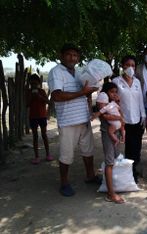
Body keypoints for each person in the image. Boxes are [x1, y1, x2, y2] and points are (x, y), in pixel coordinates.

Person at [48, 43, 99, 196]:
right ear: (61, 56)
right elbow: (56, 96)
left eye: (75, 55)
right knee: (66, 154)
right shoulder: (56, 72)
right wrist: (82, 92)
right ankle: (64, 183)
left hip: (83, 118)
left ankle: (90, 176)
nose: (72, 58)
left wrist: (89, 92)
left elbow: (85, 92)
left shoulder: (79, 72)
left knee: (88, 151)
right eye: (69, 54)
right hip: (68, 121)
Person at [112, 55, 146, 183]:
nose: (130, 68)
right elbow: (113, 99)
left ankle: (134, 170)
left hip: (137, 120)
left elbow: (140, 100)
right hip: (123, 120)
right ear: (122, 66)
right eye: (127, 65)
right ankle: (126, 173)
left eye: (133, 65)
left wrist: (143, 115)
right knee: (126, 147)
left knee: (136, 147)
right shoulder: (116, 81)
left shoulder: (137, 82)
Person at [97, 82, 125, 204]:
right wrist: (119, 119)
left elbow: (120, 114)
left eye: (115, 92)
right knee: (110, 162)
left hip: (116, 132)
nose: (114, 94)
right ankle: (111, 194)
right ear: (106, 92)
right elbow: (105, 117)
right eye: (112, 92)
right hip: (108, 134)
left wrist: (118, 103)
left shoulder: (113, 103)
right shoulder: (103, 99)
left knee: (113, 159)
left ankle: (112, 188)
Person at [26, 73, 53, 164]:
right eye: (32, 84)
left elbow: (48, 102)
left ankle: (48, 154)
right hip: (33, 117)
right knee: (35, 136)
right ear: (29, 83)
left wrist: (39, 97)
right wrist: (32, 98)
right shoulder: (28, 92)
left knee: (44, 135)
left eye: (35, 83)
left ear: (38, 83)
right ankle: (36, 156)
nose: (33, 85)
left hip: (42, 116)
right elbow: (27, 104)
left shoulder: (41, 91)